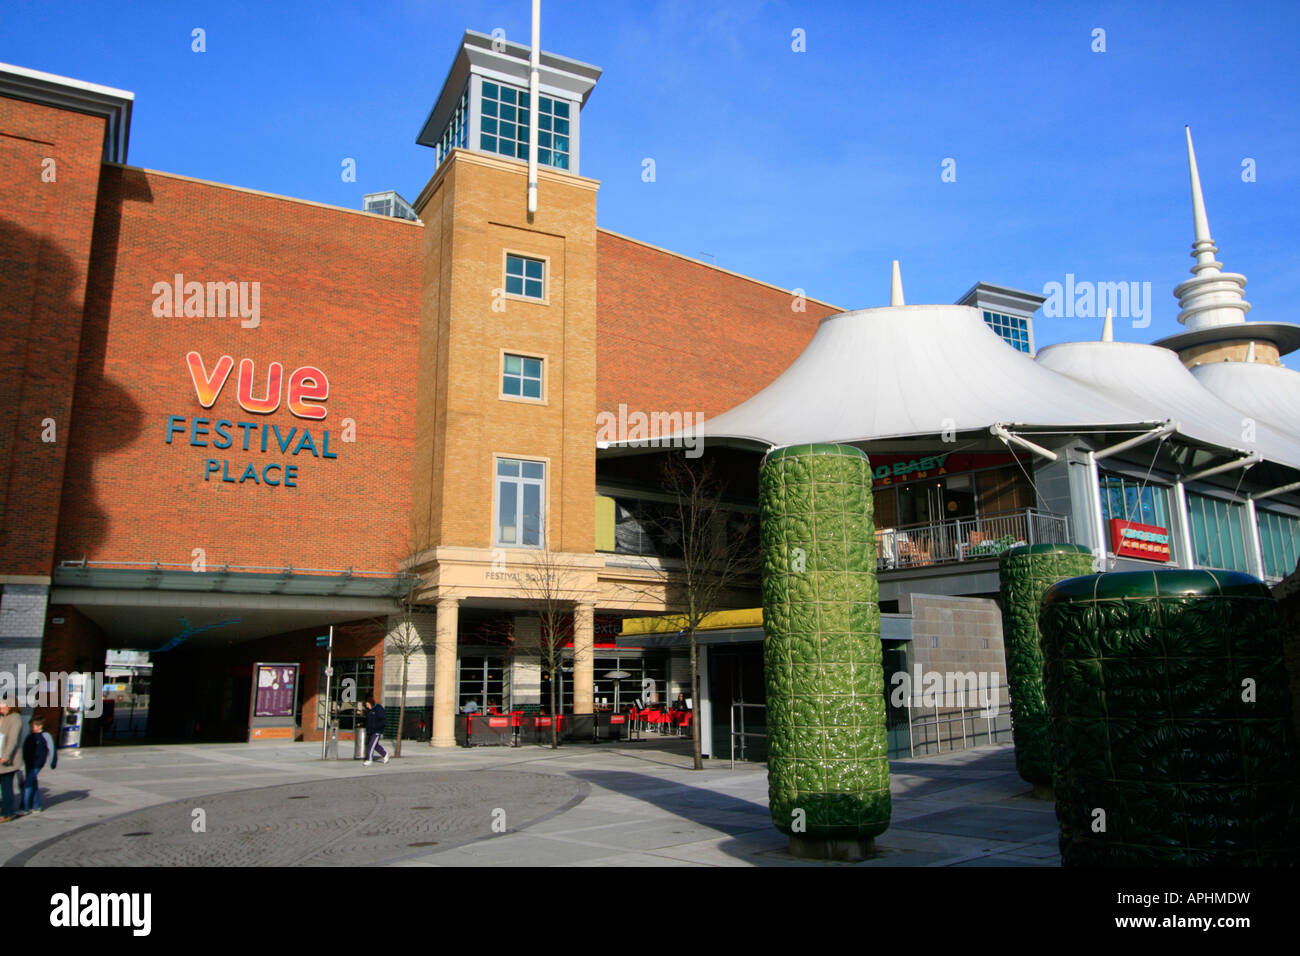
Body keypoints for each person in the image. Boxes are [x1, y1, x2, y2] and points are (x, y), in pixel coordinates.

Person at [21, 715, 56, 813]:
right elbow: (25, 749)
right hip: (29, 763)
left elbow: (52, 749)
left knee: (27, 784)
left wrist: (53, 762)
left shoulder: (45, 736)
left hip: (37, 764)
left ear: (40, 726)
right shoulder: (29, 736)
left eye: (35, 726)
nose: (33, 728)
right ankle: (36, 806)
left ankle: (25, 807)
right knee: (33, 783)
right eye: (32, 726)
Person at [0, 699, 22, 822]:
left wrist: (6, 756)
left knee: (7, 787)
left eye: (3, 705)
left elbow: (13, 740)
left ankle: (7, 813)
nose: (0, 707)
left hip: (8, 761)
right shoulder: (3, 717)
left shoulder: (15, 718)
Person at [361, 696, 388, 766]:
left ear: (371, 703)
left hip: (377, 731)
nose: (367, 706)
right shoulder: (369, 711)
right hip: (370, 731)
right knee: (375, 745)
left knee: (371, 745)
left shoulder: (378, 709)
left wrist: (378, 728)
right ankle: (385, 754)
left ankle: (369, 759)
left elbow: (383, 720)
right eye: (366, 705)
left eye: (368, 705)